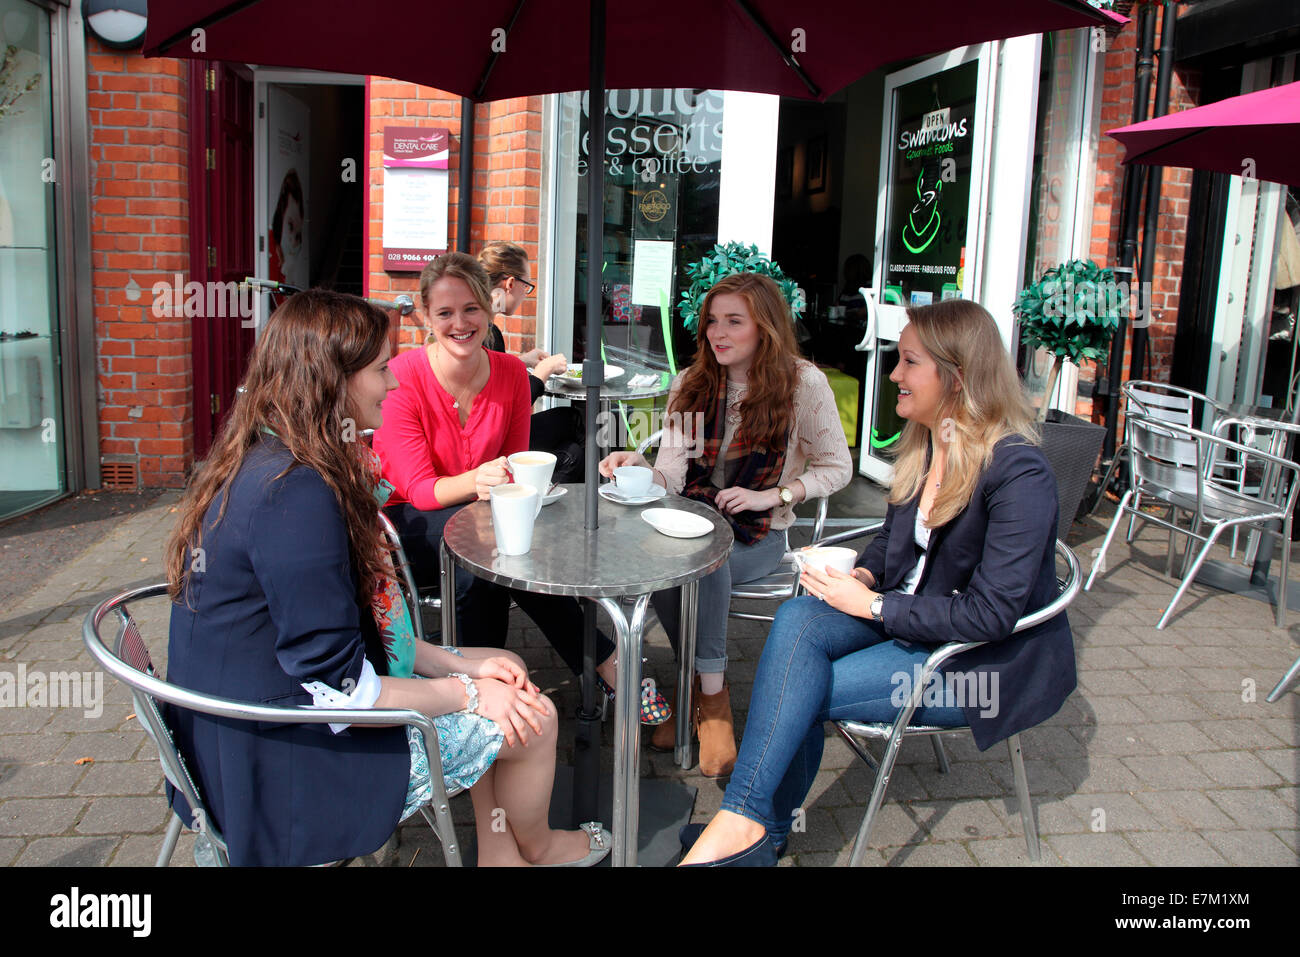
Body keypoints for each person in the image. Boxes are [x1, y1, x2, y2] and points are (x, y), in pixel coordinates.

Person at [164, 289, 609, 866]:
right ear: (332, 379)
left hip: (237, 735)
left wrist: (463, 666)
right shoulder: (295, 497)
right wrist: (468, 692)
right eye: (380, 370)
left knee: (508, 670)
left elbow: (344, 641)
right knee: (535, 715)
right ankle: (540, 848)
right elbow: (343, 687)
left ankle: (502, 852)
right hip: (285, 765)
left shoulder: (269, 458)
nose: (394, 383)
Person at [678, 299, 1075, 866]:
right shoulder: (928, 444)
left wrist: (874, 606)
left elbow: (990, 616)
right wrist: (858, 575)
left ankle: (748, 828)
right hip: (911, 619)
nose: (893, 375)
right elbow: (894, 545)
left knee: (797, 689)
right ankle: (750, 827)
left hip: (975, 664)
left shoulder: (1019, 473)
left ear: (956, 377)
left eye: (909, 363)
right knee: (798, 620)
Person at [375, 252, 670, 725]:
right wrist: (480, 482)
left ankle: (493, 690)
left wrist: (508, 485)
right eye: (445, 313)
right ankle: (598, 669)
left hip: (481, 512)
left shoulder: (512, 374)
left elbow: (513, 463)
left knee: (520, 547)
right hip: (407, 522)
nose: (460, 323)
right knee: (486, 559)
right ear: (427, 318)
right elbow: (417, 489)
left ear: (488, 310)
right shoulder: (404, 377)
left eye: (471, 309)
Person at [600, 272, 852, 776]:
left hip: (761, 534)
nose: (719, 333)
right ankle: (702, 696)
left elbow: (837, 469)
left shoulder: (802, 386)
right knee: (683, 559)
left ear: (765, 328)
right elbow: (670, 478)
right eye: (713, 322)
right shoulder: (690, 384)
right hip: (690, 519)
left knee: (703, 561)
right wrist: (639, 468)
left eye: (734, 322)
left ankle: (709, 704)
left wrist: (772, 494)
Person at [478, 240, 586, 484]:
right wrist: (541, 374)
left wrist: (520, 361)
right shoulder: (484, 332)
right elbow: (502, 407)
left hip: (493, 435)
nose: (524, 295)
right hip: (492, 441)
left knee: (573, 441)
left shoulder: (487, 328)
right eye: (526, 287)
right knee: (574, 439)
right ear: (510, 284)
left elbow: (487, 379)